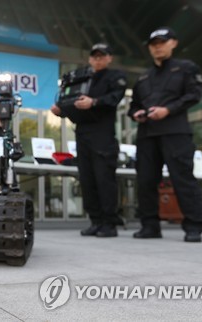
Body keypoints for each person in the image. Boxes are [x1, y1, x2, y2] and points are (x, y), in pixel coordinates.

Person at [128, 27, 202, 242]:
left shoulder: (186, 68)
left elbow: (193, 95)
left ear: (174, 43)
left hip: (175, 132)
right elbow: (133, 105)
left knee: (182, 178)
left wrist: (167, 110)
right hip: (147, 135)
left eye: (162, 42)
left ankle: (193, 226)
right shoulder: (143, 76)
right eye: (154, 44)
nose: (158, 47)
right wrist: (136, 114)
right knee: (145, 180)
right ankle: (149, 226)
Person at [51, 43, 127, 237]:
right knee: (87, 179)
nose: (98, 59)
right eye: (95, 56)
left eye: (102, 56)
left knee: (104, 179)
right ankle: (95, 220)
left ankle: (109, 223)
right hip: (82, 133)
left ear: (109, 58)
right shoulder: (82, 77)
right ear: (90, 59)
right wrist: (61, 110)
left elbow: (115, 97)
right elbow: (70, 101)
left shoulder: (115, 77)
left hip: (103, 134)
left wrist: (93, 102)